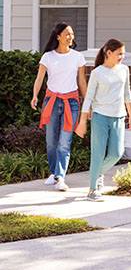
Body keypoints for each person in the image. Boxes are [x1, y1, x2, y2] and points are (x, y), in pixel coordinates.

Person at [75, 39, 131, 202]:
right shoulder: (97, 73)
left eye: (123, 54)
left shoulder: (124, 69)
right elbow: (88, 98)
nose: (122, 57)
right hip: (100, 116)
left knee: (117, 153)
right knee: (98, 153)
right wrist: (82, 121)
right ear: (109, 53)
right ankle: (92, 189)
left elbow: (127, 93)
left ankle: (97, 173)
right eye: (119, 54)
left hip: (119, 116)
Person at [31, 23, 88, 192]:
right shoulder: (48, 57)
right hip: (52, 101)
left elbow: (82, 82)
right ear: (58, 37)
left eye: (72, 34)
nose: (71, 37)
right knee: (50, 142)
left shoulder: (78, 57)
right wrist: (35, 96)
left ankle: (60, 177)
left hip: (71, 102)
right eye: (67, 34)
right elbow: (39, 79)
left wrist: (87, 103)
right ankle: (53, 172)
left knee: (64, 142)